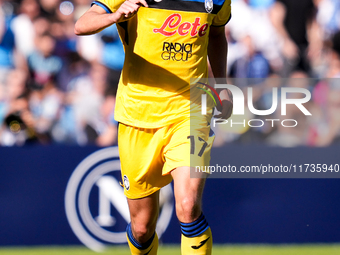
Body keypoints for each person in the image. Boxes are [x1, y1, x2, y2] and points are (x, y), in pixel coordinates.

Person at [74, 0, 233, 253]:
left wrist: (222, 85)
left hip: (190, 112)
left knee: (188, 204)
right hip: (138, 117)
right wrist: (115, 16)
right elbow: (81, 25)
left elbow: (217, 35)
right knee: (142, 227)